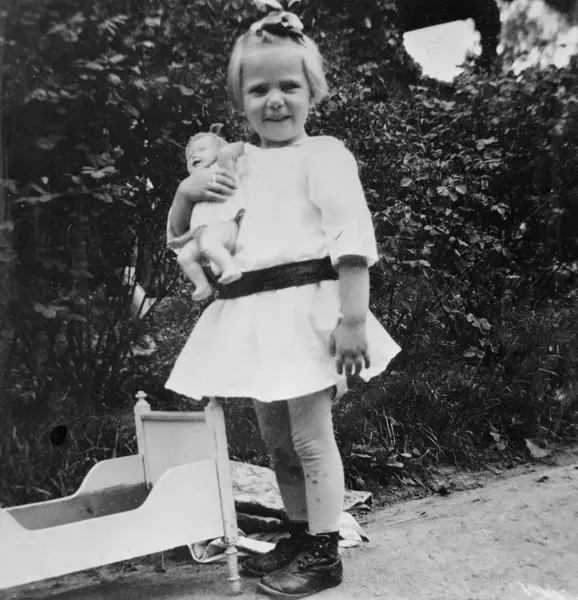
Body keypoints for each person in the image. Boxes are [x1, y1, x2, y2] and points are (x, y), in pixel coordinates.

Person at [165, 1, 401, 597]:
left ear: (312, 91)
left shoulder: (324, 155)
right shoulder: (235, 162)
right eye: (259, 89)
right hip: (253, 314)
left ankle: (324, 550)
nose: (275, 100)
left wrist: (353, 320)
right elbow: (183, 238)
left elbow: (352, 245)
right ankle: (298, 532)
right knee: (275, 438)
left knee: (310, 436)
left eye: (289, 87)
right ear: (240, 100)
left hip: (307, 311)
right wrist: (186, 191)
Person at [167, 124, 245, 301]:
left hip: (223, 227)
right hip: (202, 233)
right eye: (190, 156)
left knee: (209, 243)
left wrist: (235, 148)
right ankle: (202, 286)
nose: (194, 155)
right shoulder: (194, 188)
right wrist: (182, 239)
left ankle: (229, 267)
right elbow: (197, 223)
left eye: (202, 149)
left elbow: (227, 156)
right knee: (184, 258)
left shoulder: (220, 169)